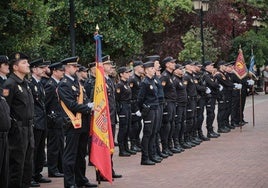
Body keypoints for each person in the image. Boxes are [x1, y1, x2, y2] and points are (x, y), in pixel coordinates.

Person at [57, 56, 97, 188]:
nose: (76, 68)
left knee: (81, 154)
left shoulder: (77, 83)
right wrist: (88, 107)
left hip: (83, 123)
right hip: (72, 124)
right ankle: (69, 183)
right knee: (70, 155)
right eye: (74, 66)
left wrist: (89, 105)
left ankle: (81, 179)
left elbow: (83, 101)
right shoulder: (64, 84)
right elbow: (71, 104)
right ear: (67, 68)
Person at [3, 52, 34, 188]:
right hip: (17, 130)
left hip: (29, 128)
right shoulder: (10, 84)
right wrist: (13, 127)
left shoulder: (25, 83)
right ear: (15, 67)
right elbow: (5, 109)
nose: (28, 65)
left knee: (28, 165)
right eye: (24, 63)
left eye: (27, 62)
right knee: (17, 165)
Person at [29, 58, 52, 186]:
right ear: (34, 69)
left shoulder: (40, 83)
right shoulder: (30, 83)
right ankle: (31, 175)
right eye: (41, 68)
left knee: (40, 150)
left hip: (42, 121)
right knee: (34, 149)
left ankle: (37, 173)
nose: (44, 70)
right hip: (36, 121)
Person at [44, 62, 65, 178]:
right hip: (53, 120)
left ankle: (60, 167)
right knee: (54, 146)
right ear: (55, 71)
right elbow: (45, 104)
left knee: (60, 145)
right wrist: (50, 118)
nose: (63, 72)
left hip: (59, 120)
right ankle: (52, 169)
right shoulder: (50, 85)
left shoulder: (58, 84)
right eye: (61, 71)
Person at [137, 61, 159, 165]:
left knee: (153, 133)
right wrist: (142, 109)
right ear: (146, 71)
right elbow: (140, 99)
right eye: (151, 69)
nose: (153, 70)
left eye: (153, 68)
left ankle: (152, 155)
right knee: (147, 134)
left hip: (155, 108)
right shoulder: (144, 82)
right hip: (149, 110)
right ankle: (144, 158)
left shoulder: (152, 81)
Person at [160, 56, 180, 156]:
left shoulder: (170, 75)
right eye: (172, 63)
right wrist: (164, 103)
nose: (174, 64)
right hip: (168, 103)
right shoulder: (164, 76)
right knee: (166, 125)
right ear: (167, 64)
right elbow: (162, 91)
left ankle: (170, 146)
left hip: (172, 102)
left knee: (171, 124)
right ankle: (165, 147)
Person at [115, 66, 134, 157]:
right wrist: (120, 109)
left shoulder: (126, 84)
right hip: (123, 107)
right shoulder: (119, 85)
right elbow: (117, 99)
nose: (128, 74)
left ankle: (126, 147)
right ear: (121, 74)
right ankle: (122, 150)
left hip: (128, 106)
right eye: (126, 72)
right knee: (123, 128)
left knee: (128, 128)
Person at [202, 61, 221, 138]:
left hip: (212, 97)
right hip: (209, 97)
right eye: (210, 66)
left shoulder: (210, 75)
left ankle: (211, 130)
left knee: (212, 114)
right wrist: (218, 85)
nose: (212, 67)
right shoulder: (206, 75)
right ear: (206, 67)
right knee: (210, 114)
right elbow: (213, 84)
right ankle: (209, 131)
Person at [172, 64, 189, 150]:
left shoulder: (181, 79)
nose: (182, 70)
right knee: (177, 124)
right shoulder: (174, 80)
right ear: (175, 70)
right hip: (178, 104)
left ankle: (181, 141)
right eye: (180, 69)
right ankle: (176, 142)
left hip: (183, 103)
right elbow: (173, 93)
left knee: (183, 123)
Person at [0, 55, 11, 188]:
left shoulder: (6, 82)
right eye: (5, 64)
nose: (8, 66)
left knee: (5, 166)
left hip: (6, 126)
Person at [128, 60, 144, 152]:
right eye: (141, 67)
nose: (142, 69)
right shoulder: (132, 79)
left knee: (138, 125)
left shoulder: (139, 78)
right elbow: (131, 95)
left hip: (138, 105)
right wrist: (135, 108)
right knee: (134, 126)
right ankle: (133, 144)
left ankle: (137, 143)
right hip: (133, 105)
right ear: (136, 68)